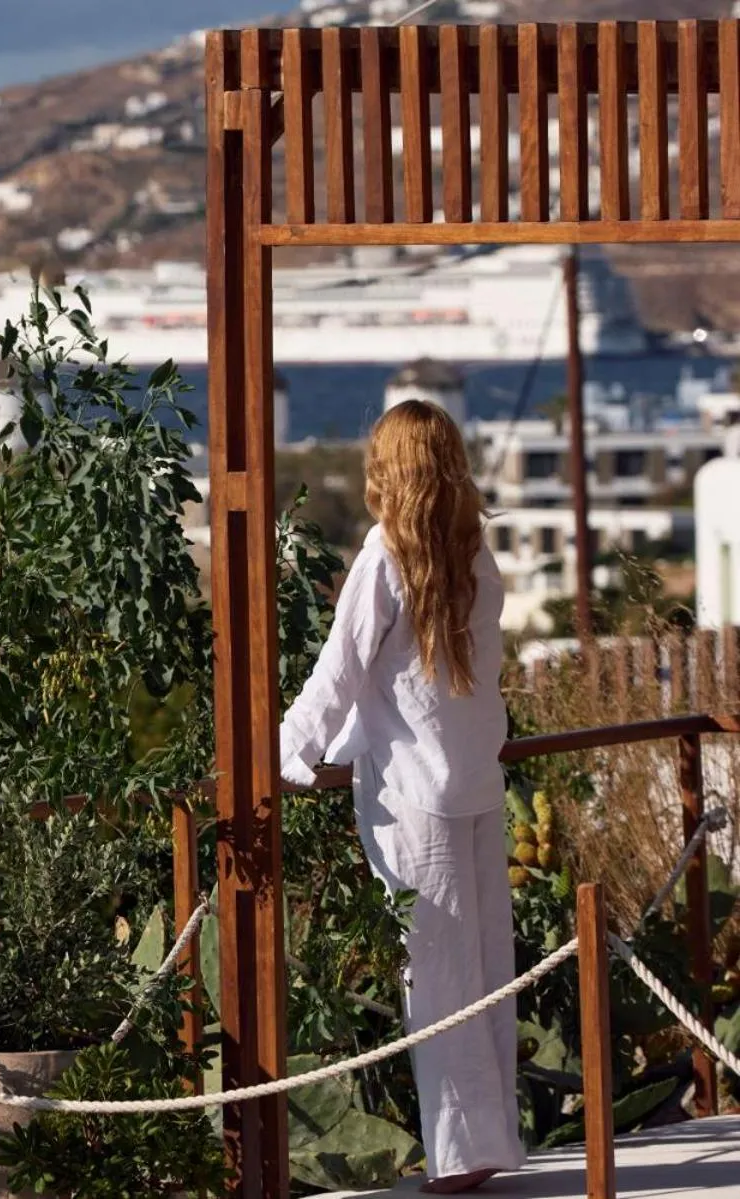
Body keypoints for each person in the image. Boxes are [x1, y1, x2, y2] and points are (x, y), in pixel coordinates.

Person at [278, 400, 521, 1194]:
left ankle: (457, 1162)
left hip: (416, 796)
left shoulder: (386, 556)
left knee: (438, 979)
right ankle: (486, 1152)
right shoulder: (475, 552)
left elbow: (339, 671)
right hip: (479, 778)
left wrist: (291, 749)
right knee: (487, 969)